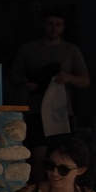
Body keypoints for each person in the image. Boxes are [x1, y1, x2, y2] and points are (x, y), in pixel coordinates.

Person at [10, 13, 90, 171]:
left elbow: (85, 80)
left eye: (58, 24)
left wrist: (68, 78)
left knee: (63, 156)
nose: (54, 28)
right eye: (50, 24)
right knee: (37, 156)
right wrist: (26, 84)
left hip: (61, 113)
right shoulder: (28, 49)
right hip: (36, 110)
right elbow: (14, 76)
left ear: (63, 27)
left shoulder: (70, 50)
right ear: (43, 25)